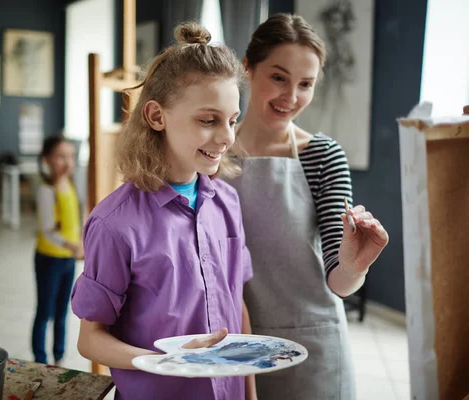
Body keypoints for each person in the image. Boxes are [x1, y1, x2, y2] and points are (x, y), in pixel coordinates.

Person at [71, 22, 257, 400]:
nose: (226, 137)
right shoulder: (115, 224)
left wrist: (250, 393)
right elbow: (91, 341)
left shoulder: (227, 203)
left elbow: (235, 306)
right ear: (157, 117)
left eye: (232, 120)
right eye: (208, 120)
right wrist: (163, 362)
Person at [224, 13, 389, 399]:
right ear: (247, 68)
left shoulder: (322, 156)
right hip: (230, 343)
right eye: (278, 77)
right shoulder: (213, 152)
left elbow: (340, 280)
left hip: (312, 350)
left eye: (306, 84)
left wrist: (354, 264)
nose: (291, 97)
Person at [31, 135, 83, 366]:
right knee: (45, 312)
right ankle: (41, 360)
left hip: (67, 260)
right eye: (61, 156)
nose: (67, 162)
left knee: (62, 313)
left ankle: (59, 358)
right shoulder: (46, 190)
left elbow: (72, 223)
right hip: (49, 259)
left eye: (70, 156)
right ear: (47, 160)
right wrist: (73, 246)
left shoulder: (70, 185)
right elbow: (48, 230)